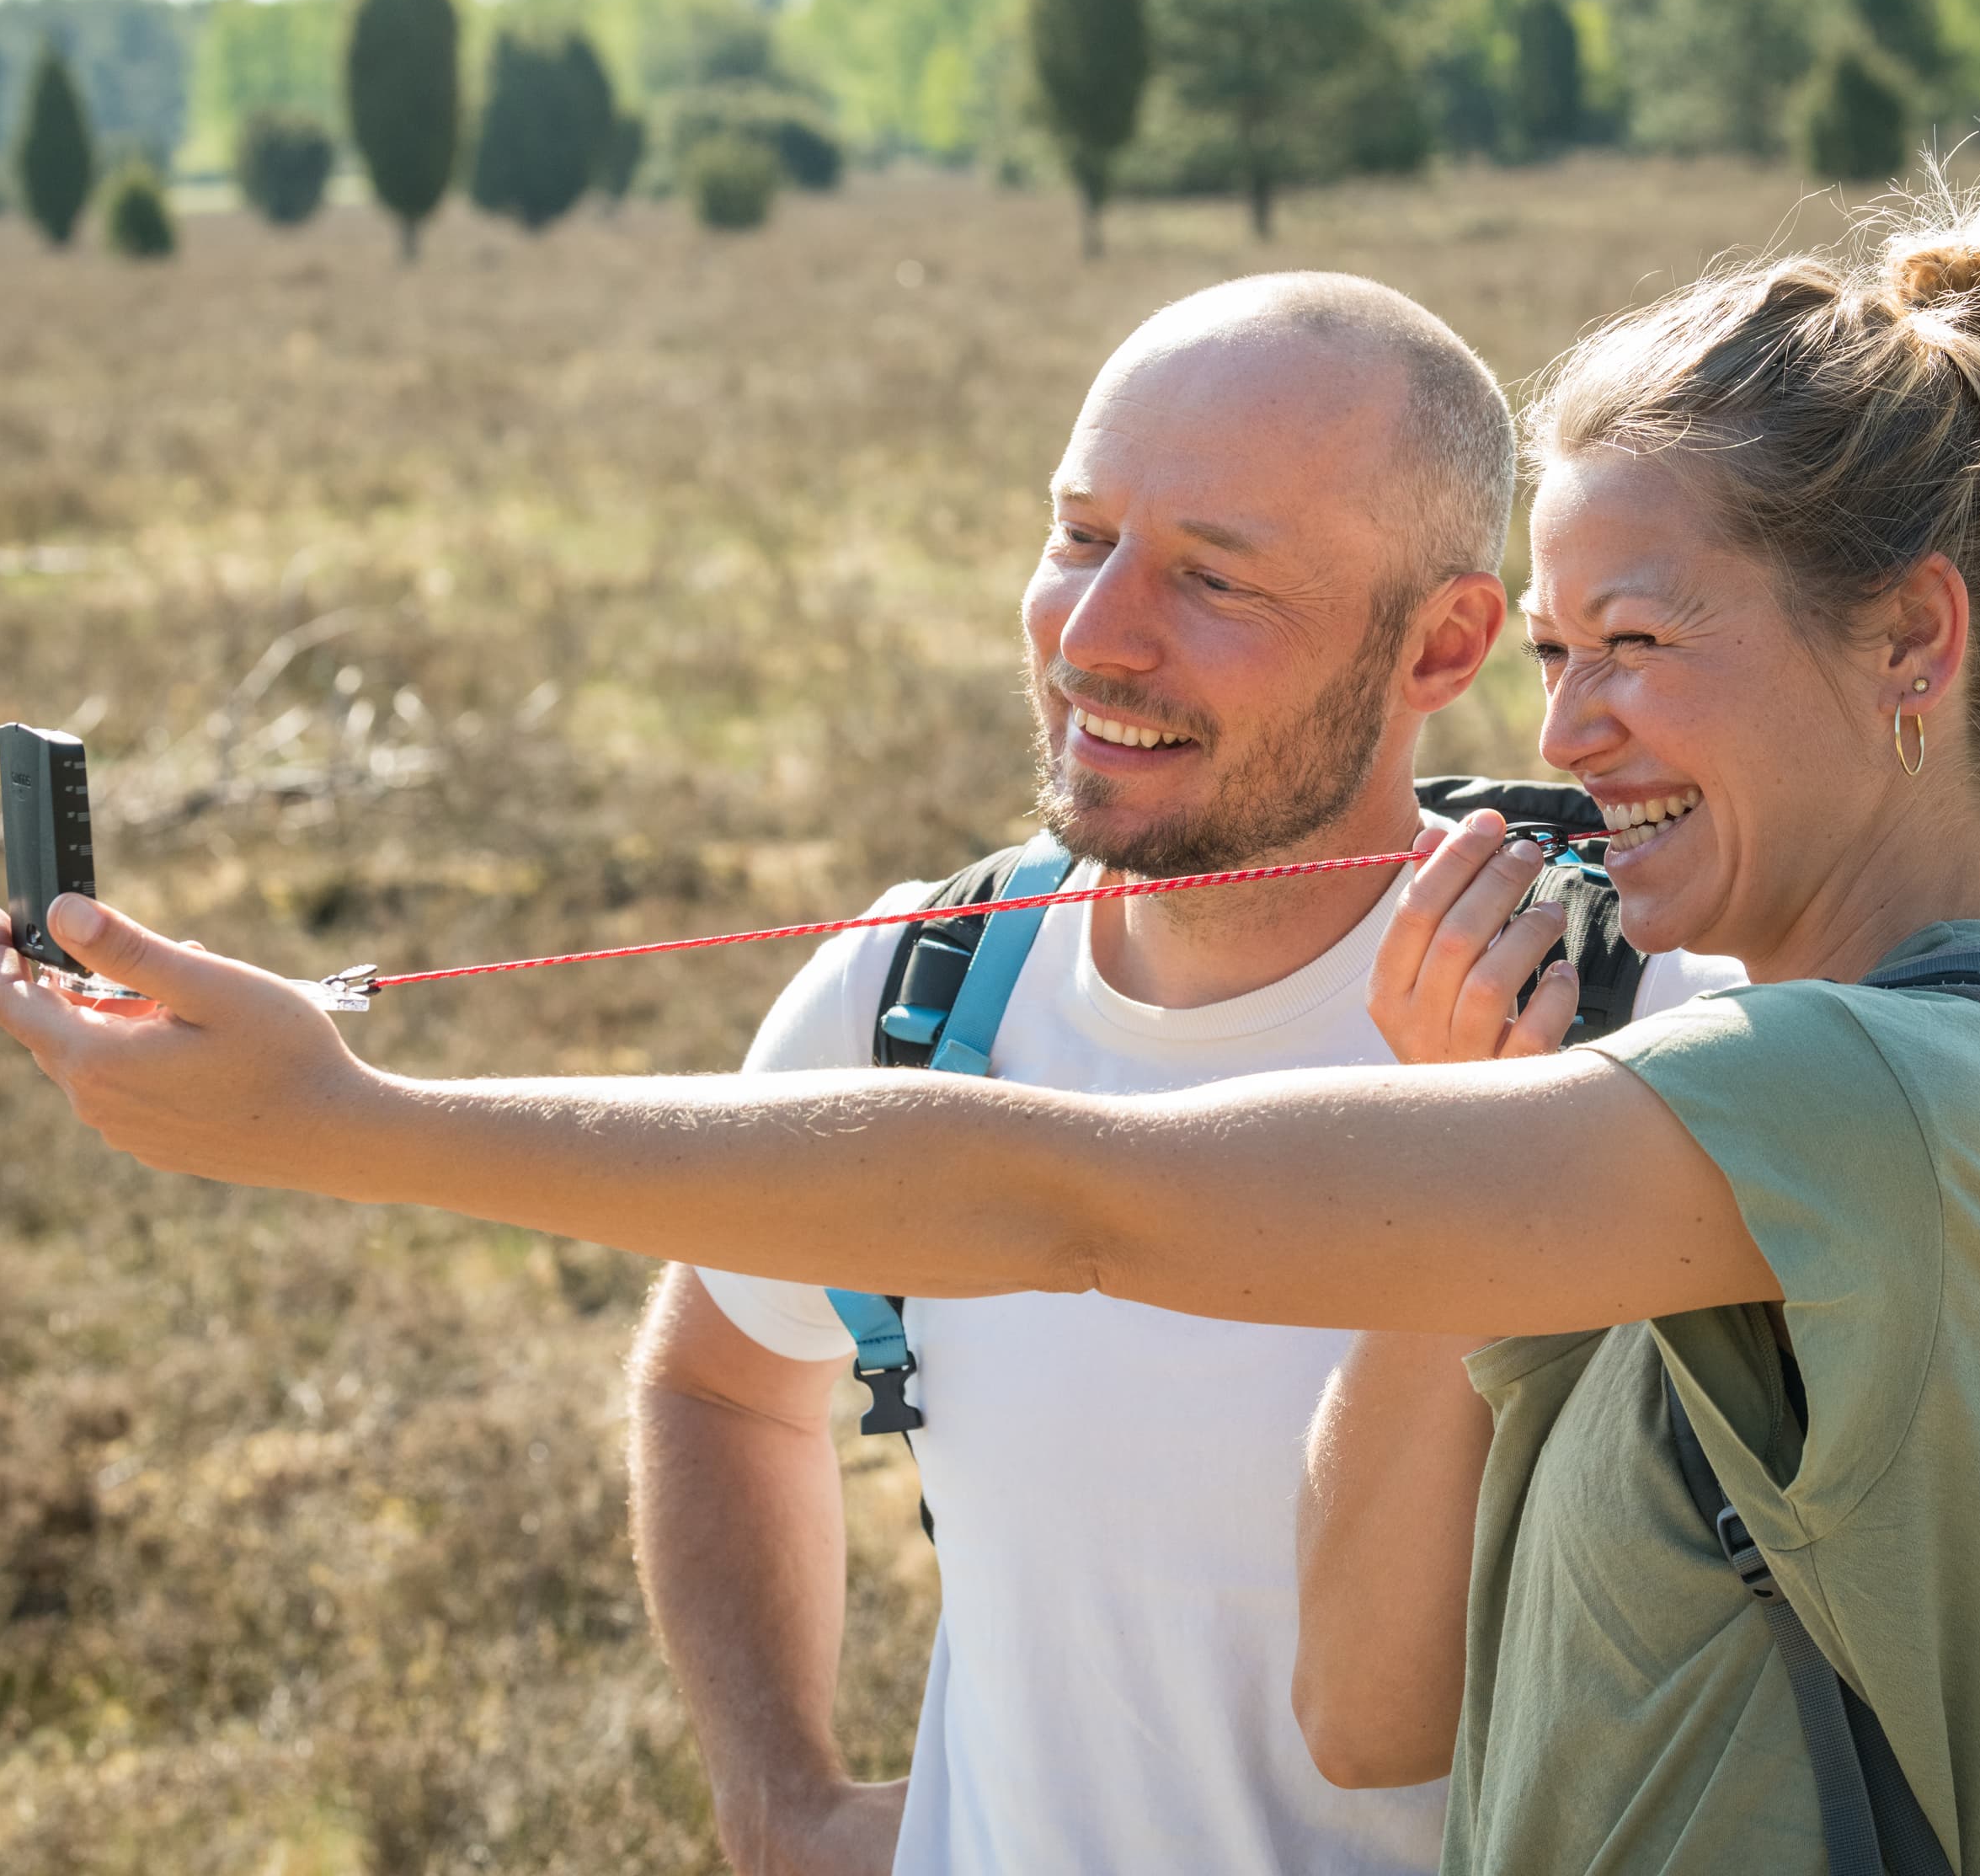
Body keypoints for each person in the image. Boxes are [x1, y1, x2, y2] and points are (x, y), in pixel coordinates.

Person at [0, 190, 1980, 1874]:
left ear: (1913, 646)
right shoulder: (1551, 1072)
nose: (1573, 736)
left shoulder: (1809, 1091)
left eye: (1641, 645)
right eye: (1561, 652)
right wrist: (784, 1801)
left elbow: (1073, 1205)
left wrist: (349, 1115)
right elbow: (1373, 1708)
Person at [632, 270, 1734, 1876]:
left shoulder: (1643, 1023)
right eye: (1080, 535)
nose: (1094, 638)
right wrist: (775, 1796)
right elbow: (719, 1381)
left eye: (1215, 579)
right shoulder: (913, 998)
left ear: (1441, 645)